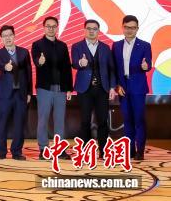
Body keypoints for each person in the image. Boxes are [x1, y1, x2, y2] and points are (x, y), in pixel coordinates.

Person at [72, 19, 116, 158]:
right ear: (84, 30)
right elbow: (74, 63)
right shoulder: (77, 46)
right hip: (84, 89)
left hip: (102, 89)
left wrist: (112, 87)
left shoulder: (105, 48)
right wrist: (81, 62)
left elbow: (111, 69)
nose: (91, 31)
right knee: (85, 121)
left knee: (102, 121)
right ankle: (86, 150)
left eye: (94, 29)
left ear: (98, 31)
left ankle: (104, 151)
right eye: (89, 28)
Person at [32, 16, 73, 160]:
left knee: (60, 120)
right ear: (44, 28)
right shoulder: (37, 44)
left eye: (53, 26)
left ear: (57, 28)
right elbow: (36, 61)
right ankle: (43, 148)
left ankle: (60, 149)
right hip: (44, 88)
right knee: (43, 119)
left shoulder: (62, 45)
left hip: (60, 89)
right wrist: (40, 61)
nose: (51, 29)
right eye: (48, 26)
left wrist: (69, 88)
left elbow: (67, 68)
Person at [112, 15, 152, 161]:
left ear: (137, 29)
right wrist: (116, 85)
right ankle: (130, 150)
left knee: (139, 119)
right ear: (122, 27)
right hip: (122, 87)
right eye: (127, 27)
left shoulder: (145, 45)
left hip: (138, 87)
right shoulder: (116, 45)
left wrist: (146, 66)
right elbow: (114, 68)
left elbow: (148, 64)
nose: (130, 30)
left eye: (133, 28)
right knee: (127, 119)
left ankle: (140, 150)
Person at [0, 25, 31, 160]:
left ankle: (17, 152)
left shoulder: (24, 52)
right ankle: (1, 152)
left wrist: (29, 92)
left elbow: (28, 73)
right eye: (4, 36)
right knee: (1, 123)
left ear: (14, 36)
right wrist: (5, 66)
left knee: (20, 123)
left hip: (21, 94)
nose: (8, 38)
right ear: (1, 39)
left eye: (10, 35)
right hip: (4, 94)